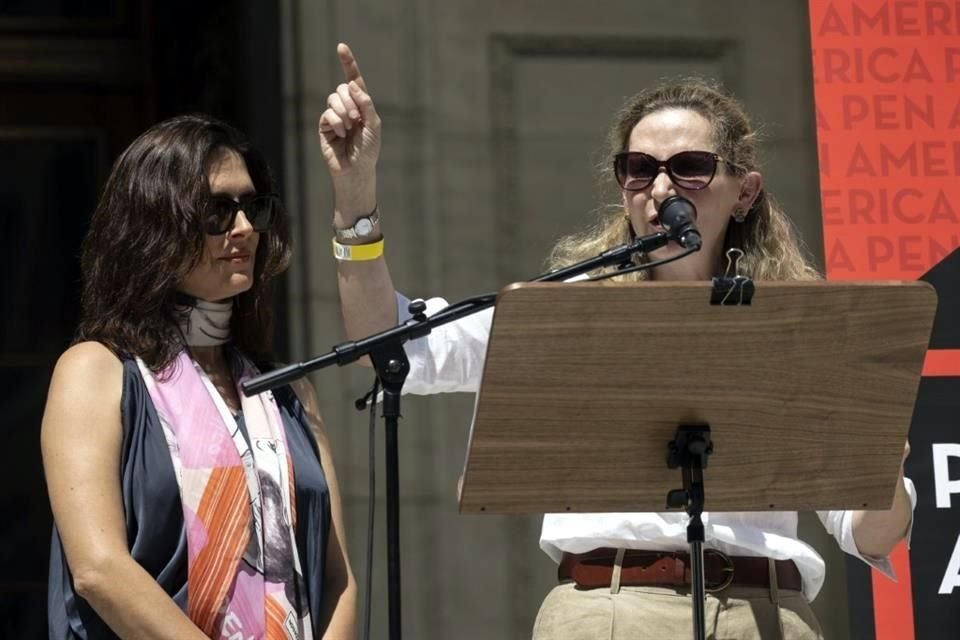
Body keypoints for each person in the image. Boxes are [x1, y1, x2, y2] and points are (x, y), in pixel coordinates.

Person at [317, 43, 915, 639]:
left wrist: (881, 460)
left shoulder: (798, 324)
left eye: (690, 167)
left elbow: (871, 532)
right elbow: (392, 341)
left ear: (746, 191)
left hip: (766, 614)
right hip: (610, 608)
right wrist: (355, 193)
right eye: (639, 170)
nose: (660, 190)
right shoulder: (567, 309)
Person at [42, 114, 357, 639]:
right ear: (153, 225)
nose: (244, 228)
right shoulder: (95, 371)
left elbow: (339, 582)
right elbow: (99, 570)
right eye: (217, 210)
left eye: (252, 207)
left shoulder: (289, 390)